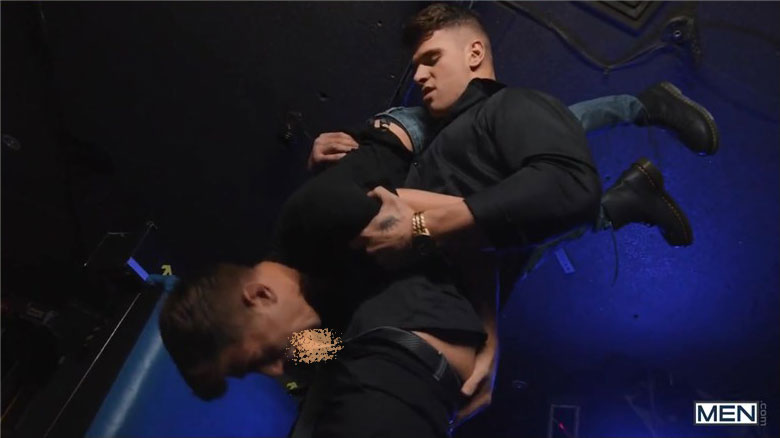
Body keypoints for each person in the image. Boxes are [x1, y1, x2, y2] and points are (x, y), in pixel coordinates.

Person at [158, 4, 718, 437]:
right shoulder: (306, 336)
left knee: (529, 150)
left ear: (258, 296)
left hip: (431, 141)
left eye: (260, 356)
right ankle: (628, 201)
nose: (277, 370)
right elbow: (326, 358)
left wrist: (487, 336)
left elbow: (443, 225)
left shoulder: (320, 217)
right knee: (522, 230)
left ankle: (644, 106)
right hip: (438, 213)